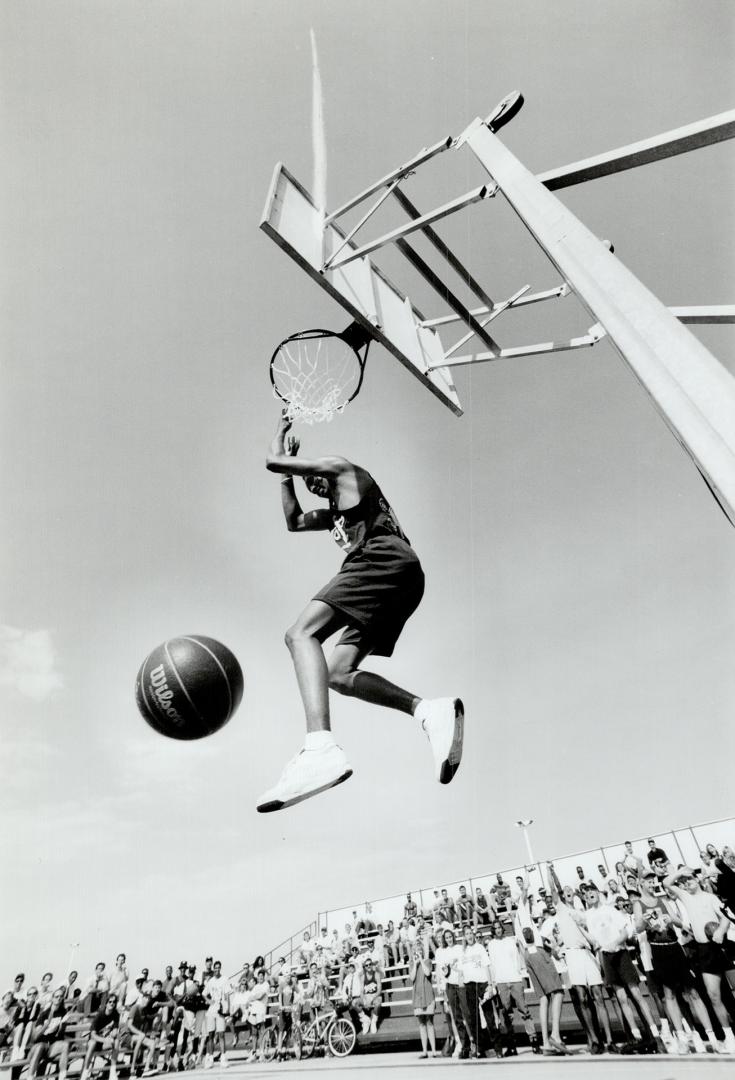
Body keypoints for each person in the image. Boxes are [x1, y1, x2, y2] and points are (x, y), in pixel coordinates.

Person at [257, 413, 464, 812]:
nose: (313, 483)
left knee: (300, 634)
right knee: (336, 673)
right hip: (400, 579)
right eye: (308, 482)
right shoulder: (334, 513)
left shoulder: (342, 468)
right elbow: (294, 522)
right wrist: (288, 479)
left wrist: (279, 439)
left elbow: (272, 461)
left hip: (382, 561)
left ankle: (319, 748)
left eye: (311, 475)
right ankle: (426, 710)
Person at [633, 871, 719, 1054]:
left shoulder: (663, 900)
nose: (651, 884)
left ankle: (710, 1036)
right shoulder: (638, 904)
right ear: (641, 883)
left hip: (674, 946)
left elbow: (679, 922)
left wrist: (669, 919)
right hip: (657, 948)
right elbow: (638, 927)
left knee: (692, 992)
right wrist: (646, 921)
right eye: (648, 881)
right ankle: (681, 1036)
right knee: (669, 993)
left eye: (652, 881)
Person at [581, 883, 662, 1053]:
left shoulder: (610, 910)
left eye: (592, 891)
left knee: (636, 994)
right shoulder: (587, 916)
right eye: (586, 893)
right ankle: (636, 1037)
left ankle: (655, 1035)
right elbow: (593, 939)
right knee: (621, 998)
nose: (590, 895)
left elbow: (626, 931)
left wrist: (615, 943)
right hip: (606, 956)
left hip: (620, 953)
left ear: (598, 892)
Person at [662, 866, 735, 1053]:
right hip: (704, 950)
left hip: (720, 947)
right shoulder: (686, 897)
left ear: (698, 880)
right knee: (713, 995)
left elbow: (726, 918)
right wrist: (680, 872)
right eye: (685, 881)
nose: (687, 883)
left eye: (690, 879)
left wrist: (720, 930)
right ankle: (729, 1036)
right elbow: (666, 883)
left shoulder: (711, 898)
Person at [485, 922, 538, 1056]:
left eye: (499, 928)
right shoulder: (491, 944)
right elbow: (491, 964)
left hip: (515, 978)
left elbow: (520, 955)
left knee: (524, 1010)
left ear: (503, 929)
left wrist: (519, 972)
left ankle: (534, 1042)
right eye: (495, 928)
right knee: (506, 1014)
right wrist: (494, 982)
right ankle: (511, 1045)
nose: (498, 930)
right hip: (501, 981)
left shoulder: (511, 941)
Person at [434, 928, 469, 1059]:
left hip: (460, 984)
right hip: (448, 986)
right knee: (454, 1017)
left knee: (465, 1014)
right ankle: (460, 1044)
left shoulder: (458, 948)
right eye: (444, 938)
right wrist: (440, 987)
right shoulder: (440, 952)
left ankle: (471, 1042)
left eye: (449, 937)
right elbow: (440, 971)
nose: (447, 940)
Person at [27, 988, 70, 1080]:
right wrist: (47, 1024)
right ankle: (30, 1077)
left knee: (65, 1045)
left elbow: (60, 1034)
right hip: (38, 1045)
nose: (59, 998)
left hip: (51, 1046)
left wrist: (63, 1025)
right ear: (52, 998)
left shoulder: (63, 1012)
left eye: (61, 996)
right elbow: (35, 1037)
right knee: (40, 1047)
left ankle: (62, 1076)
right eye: (56, 996)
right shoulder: (44, 1014)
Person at [409, 938, 438, 1059]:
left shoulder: (427, 961)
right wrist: (415, 963)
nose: (418, 950)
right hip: (418, 994)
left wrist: (421, 960)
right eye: (416, 949)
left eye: (419, 948)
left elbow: (427, 973)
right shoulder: (411, 963)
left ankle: (434, 1051)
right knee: (421, 1023)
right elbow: (412, 978)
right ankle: (425, 1051)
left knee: (430, 1022)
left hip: (428, 993)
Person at [80, 994, 120, 1080]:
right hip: (94, 1041)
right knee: (92, 1043)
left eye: (114, 1002)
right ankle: (85, 1073)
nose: (112, 1004)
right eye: (110, 1002)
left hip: (104, 1043)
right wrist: (104, 1039)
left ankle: (112, 1073)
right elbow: (93, 1035)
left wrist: (113, 1033)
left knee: (116, 1041)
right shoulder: (100, 1015)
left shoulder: (116, 1014)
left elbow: (116, 1029)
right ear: (106, 1003)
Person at [359, 958, 382, 1034]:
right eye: (366, 965)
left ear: (372, 965)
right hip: (367, 996)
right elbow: (361, 991)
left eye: (370, 964)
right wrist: (364, 1000)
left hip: (375, 995)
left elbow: (379, 990)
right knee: (354, 1003)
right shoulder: (363, 977)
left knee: (378, 1002)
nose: (368, 966)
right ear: (365, 967)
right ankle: (365, 1020)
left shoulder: (376, 974)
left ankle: (373, 1022)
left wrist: (372, 999)